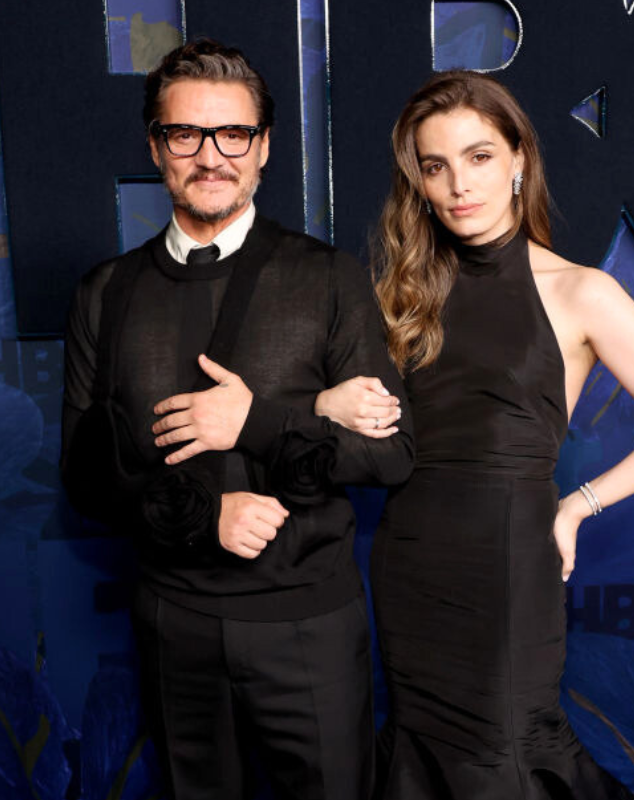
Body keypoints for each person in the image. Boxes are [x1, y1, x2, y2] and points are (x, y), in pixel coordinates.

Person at [313, 71, 634, 799]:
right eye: (435, 166)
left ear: (518, 161)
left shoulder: (580, 291)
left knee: (505, 750)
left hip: (509, 564)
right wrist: (327, 403)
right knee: (422, 754)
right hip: (409, 562)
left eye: (478, 157)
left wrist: (577, 506)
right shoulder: (402, 293)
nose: (458, 185)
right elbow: (367, 426)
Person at [60, 39, 412, 799]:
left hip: (309, 627)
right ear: (156, 146)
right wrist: (203, 515)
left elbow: (391, 457)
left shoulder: (327, 277)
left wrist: (257, 423)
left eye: (233, 135)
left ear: (264, 148)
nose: (210, 157)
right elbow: (84, 476)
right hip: (172, 625)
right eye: (186, 134)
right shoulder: (104, 292)